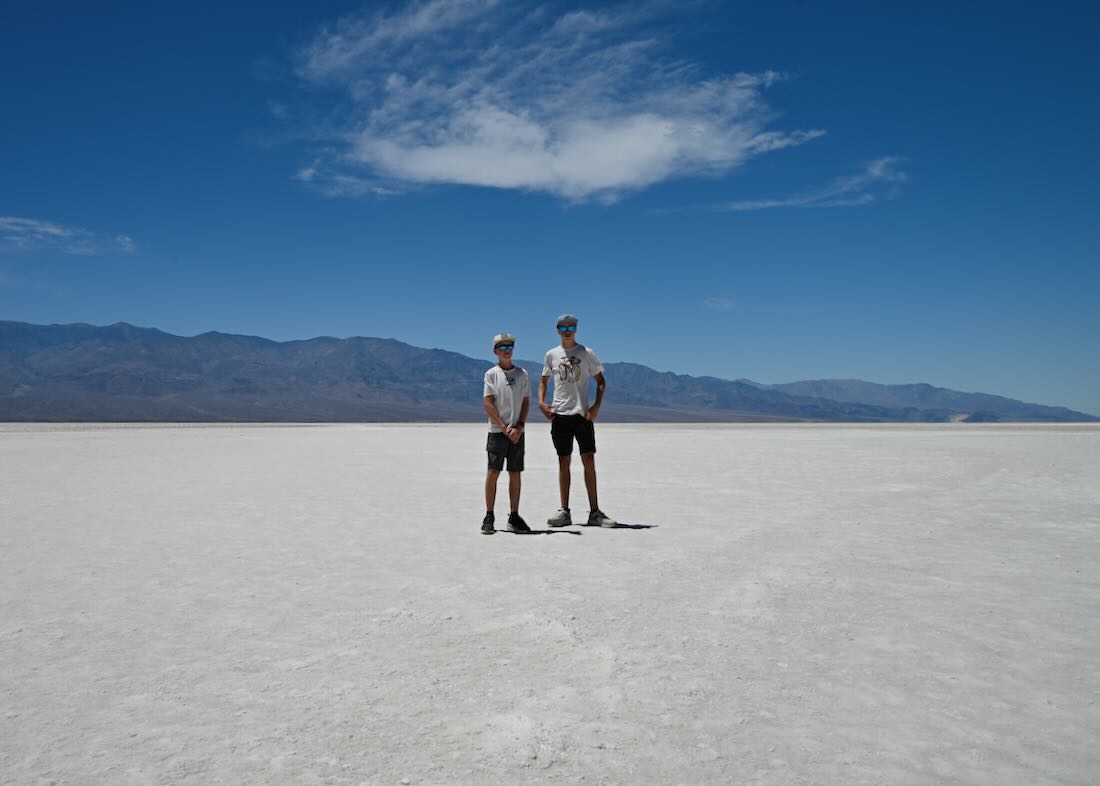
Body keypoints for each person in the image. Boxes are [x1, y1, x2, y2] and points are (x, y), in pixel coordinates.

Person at [538, 314, 617, 527]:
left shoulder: (585, 353)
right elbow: (543, 381)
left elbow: (601, 381)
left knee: (588, 461)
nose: (567, 331)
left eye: (571, 327)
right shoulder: (551, 355)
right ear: (557, 330)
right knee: (563, 462)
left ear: (576, 329)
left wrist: (597, 406)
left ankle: (595, 512)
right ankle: (564, 511)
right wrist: (542, 403)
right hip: (560, 415)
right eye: (563, 328)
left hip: (582, 415)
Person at [482, 332, 531, 534]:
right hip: (497, 432)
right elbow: (488, 403)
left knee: (515, 473)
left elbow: (526, 401)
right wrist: (503, 428)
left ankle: (514, 516)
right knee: (493, 471)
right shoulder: (492, 374)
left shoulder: (522, 374)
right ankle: (489, 515)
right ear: (495, 351)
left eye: (509, 346)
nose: (506, 350)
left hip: (517, 433)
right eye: (502, 347)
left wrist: (519, 426)